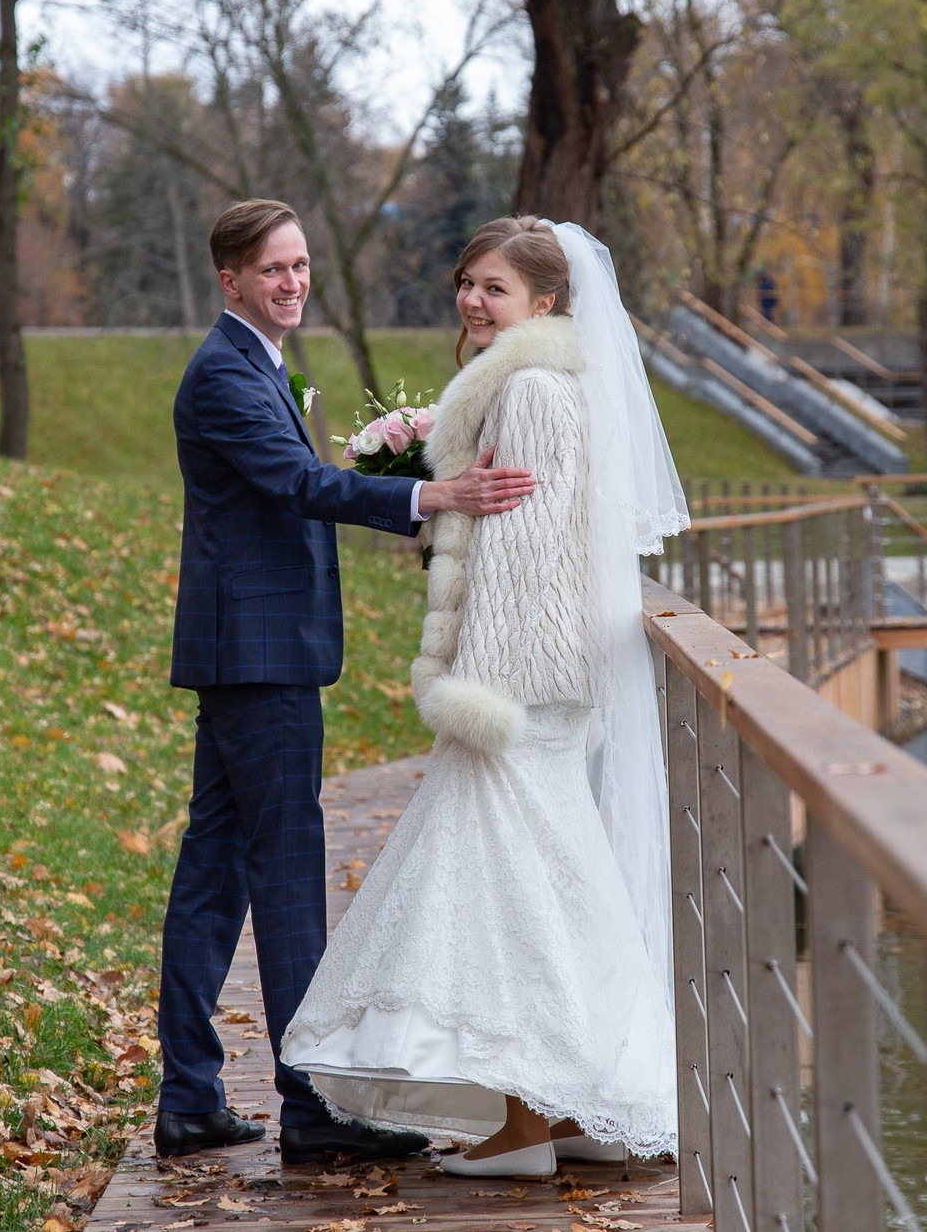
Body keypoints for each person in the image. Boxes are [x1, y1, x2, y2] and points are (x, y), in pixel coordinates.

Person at [281, 216, 690, 1178]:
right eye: (466, 282)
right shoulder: (552, 382)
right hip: (546, 678)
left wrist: (481, 685)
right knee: (554, 886)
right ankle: (580, 1100)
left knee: (514, 896)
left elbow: (530, 557)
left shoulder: (535, 390)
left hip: (519, 682)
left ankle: (528, 1124)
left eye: (494, 288)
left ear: (545, 301)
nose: (472, 299)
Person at [156, 199, 537, 1164]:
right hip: (259, 658)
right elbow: (300, 484)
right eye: (272, 270)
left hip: (256, 653)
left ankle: (191, 1096)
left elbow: (296, 481)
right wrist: (431, 493)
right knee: (285, 876)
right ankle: (313, 1107)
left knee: (212, 873)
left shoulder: (260, 363)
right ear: (231, 279)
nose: (291, 283)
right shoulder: (223, 374)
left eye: (300, 266)